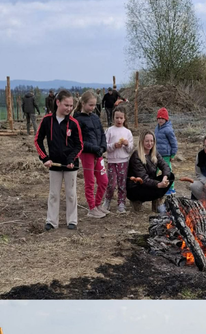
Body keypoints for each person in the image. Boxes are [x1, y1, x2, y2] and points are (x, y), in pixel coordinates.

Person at [35, 88, 83, 231]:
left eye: (71, 106)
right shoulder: (46, 120)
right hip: (54, 165)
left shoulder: (74, 123)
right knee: (54, 194)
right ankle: (52, 221)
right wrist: (45, 158)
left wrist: (71, 159)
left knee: (71, 193)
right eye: (66, 105)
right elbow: (38, 140)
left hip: (70, 166)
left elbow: (79, 145)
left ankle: (72, 221)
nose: (69, 108)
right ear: (57, 103)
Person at [74, 90, 109, 219]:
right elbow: (80, 141)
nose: (93, 108)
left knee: (103, 181)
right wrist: (94, 148)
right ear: (83, 103)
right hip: (87, 154)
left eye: (94, 105)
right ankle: (91, 207)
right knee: (90, 182)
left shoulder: (95, 117)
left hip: (98, 153)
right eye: (90, 105)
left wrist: (103, 146)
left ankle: (98, 203)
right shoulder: (77, 119)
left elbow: (101, 133)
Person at [126, 131, 173, 212]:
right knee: (158, 188)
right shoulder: (136, 156)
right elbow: (143, 179)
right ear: (142, 142)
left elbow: (165, 166)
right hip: (136, 187)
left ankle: (156, 201)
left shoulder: (154, 153)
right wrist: (158, 184)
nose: (150, 143)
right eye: (147, 141)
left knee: (171, 176)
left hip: (150, 184)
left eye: (152, 141)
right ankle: (137, 201)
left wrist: (164, 178)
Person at [104, 108, 134, 214]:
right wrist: (113, 146)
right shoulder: (109, 131)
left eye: (121, 118)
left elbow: (130, 149)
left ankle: (121, 203)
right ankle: (107, 200)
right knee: (111, 184)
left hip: (123, 161)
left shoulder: (128, 132)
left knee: (122, 183)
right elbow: (105, 146)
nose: (119, 120)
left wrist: (126, 144)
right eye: (117, 117)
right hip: (112, 161)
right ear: (113, 118)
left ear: (124, 118)